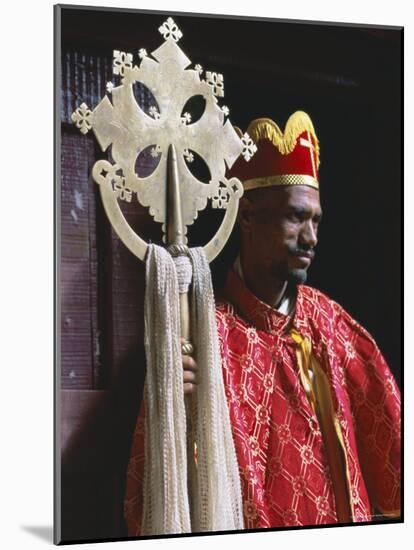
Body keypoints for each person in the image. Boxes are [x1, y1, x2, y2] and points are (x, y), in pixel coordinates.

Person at [123, 111, 400, 533]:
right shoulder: (202, 335)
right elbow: (160, 487)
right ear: (248, 217)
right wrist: (174, 407)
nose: (311, 237)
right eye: (295, 217)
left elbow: (393, 447)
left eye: (316, 220)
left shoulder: (332, 325)